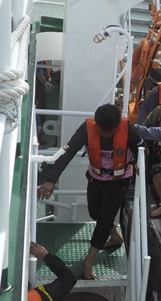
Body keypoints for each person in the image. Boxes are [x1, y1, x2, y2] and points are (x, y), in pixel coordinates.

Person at [37, 104, 141, 280]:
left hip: (118, 182)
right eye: (103, 130)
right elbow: (67, 153)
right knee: (95, 213)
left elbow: (142, 153)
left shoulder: (129, 129)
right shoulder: (87, 128)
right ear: (97, 124)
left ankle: (89, 260)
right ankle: (115, 237)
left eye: (110, 130)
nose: (106, 134)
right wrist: (51, 180)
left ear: (117, 125)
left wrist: (139, 171)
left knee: (105, 220)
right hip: (96, 179)